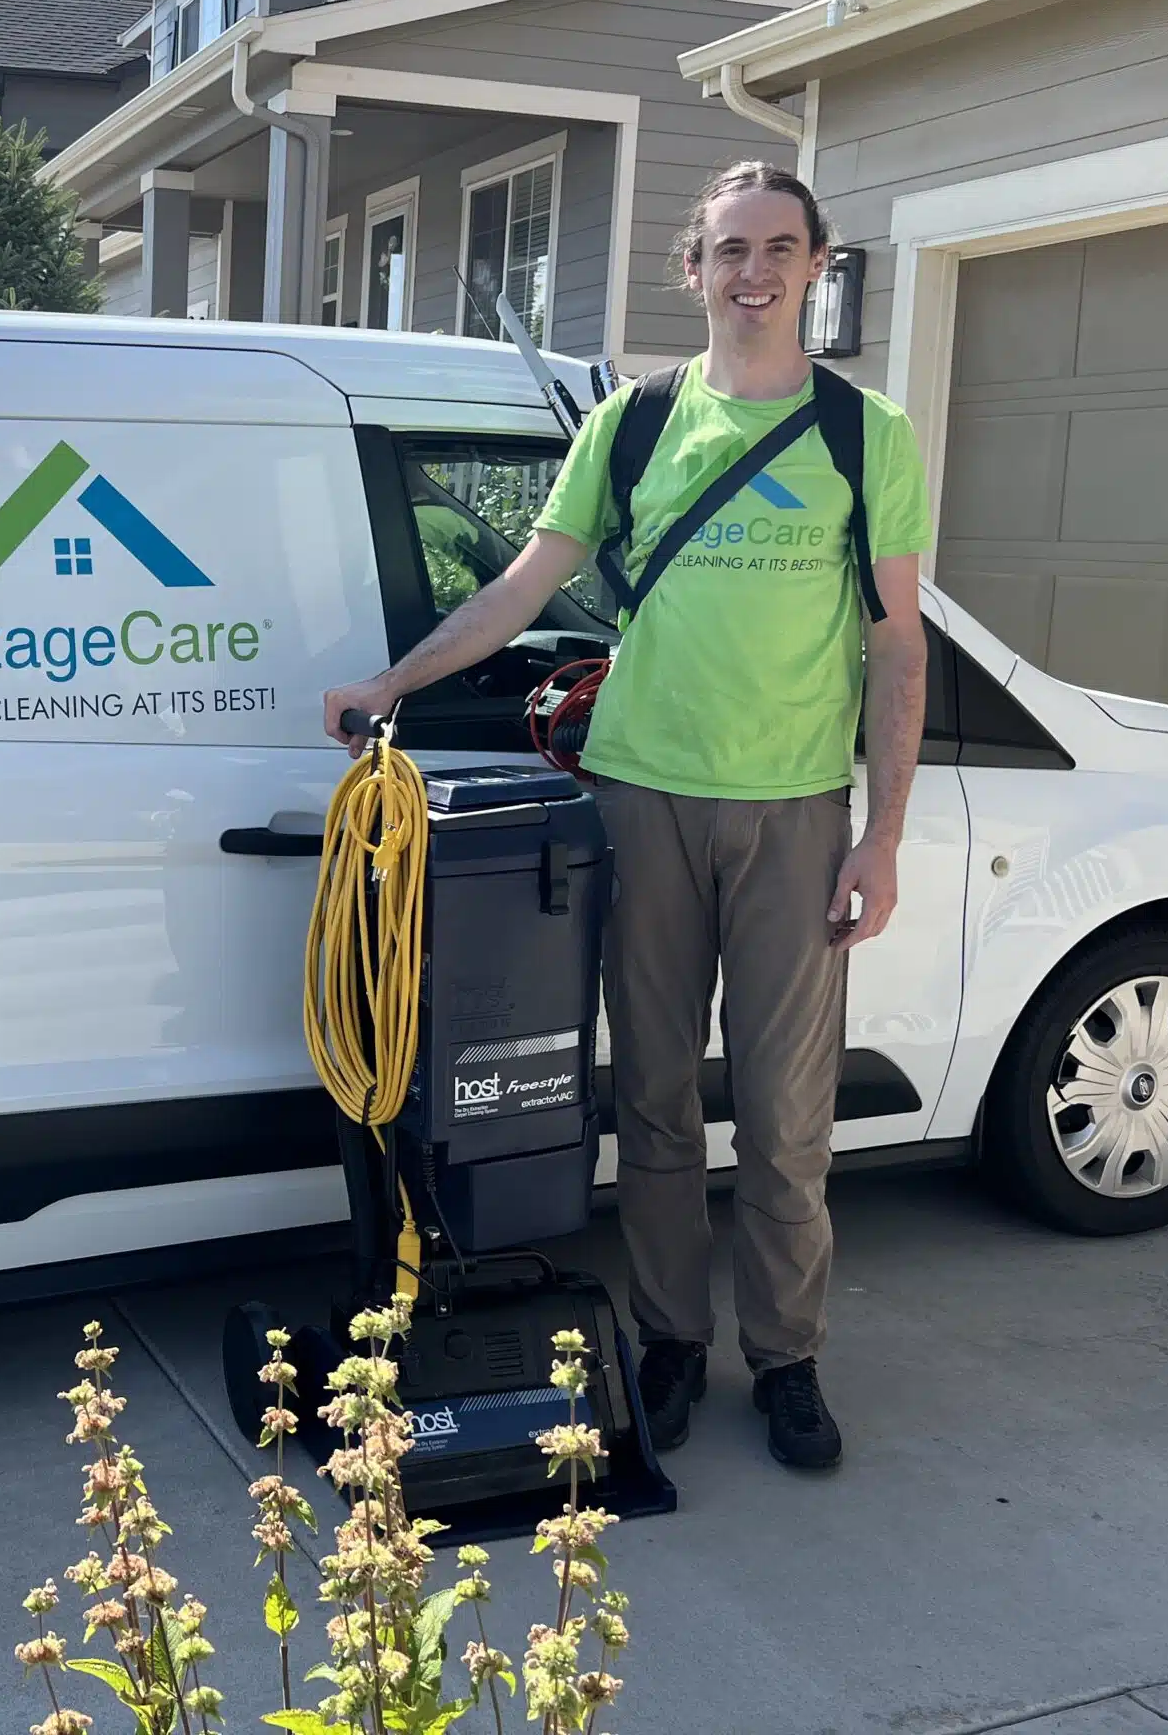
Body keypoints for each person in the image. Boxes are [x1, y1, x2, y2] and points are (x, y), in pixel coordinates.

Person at [320, 161, 931, 1470]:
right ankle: (667, 1342)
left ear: (818, 265)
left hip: (796, 813)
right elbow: (520, 584)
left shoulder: (864, 432)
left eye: (778, 248)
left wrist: (880, 838)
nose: (752, 272)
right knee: (652, 1099)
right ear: (694, 269)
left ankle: (787, 1357)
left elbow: (898, 646)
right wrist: (395, 680)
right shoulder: (638, 426)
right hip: (642, 800)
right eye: (728, 250)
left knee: (784, 1116)